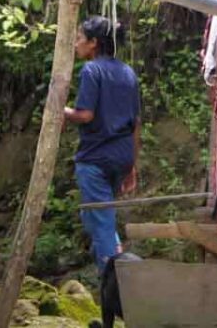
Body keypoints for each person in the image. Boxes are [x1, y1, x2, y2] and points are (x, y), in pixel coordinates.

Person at [64, 16, 141, 275]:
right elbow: (136, 123)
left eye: (79, 38)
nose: (75, 44)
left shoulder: (91, 70)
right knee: (97, 217)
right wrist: (132, 165)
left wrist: (59, 109)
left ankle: (116, 286)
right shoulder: (127, 72)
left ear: (94, 43)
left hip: (96, 158)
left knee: (100, 222)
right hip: (121, 156)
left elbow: (85, 115)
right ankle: (116, 260)